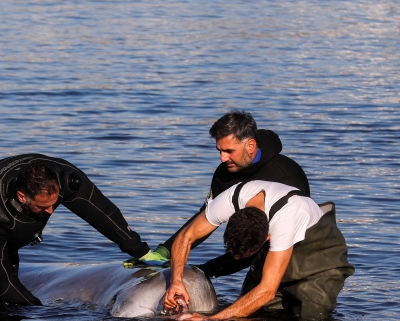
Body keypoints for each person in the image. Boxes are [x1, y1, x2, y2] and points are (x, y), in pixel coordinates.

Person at [0, 154, 155, 305]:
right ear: (21, 197)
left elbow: (102, 213)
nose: (50, 211)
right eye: (43, 206)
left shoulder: (62, 176)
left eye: (54, 203)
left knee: (15, 308)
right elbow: (2, 285)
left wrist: (140, 250)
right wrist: (41, 312)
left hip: (6, 236)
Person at [130, 111, 310, 276]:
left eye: (229, 151)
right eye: (220, 151)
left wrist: (209, 269)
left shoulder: (286, 177)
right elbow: (205, 218)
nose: (222, 159)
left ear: (250, 146)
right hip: (256, 251)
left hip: (299, 252)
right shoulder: (225, 172)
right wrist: (165, 252)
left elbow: (255, 242)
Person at [162, 179, 354, 321]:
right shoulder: (230, 200)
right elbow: (185, 237)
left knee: (311, 318)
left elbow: (267, 291)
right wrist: (176, 281)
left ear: (267, 237)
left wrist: (212, 320)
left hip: (319, 256)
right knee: (251, 316)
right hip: (277, 250)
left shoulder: (286, 220)